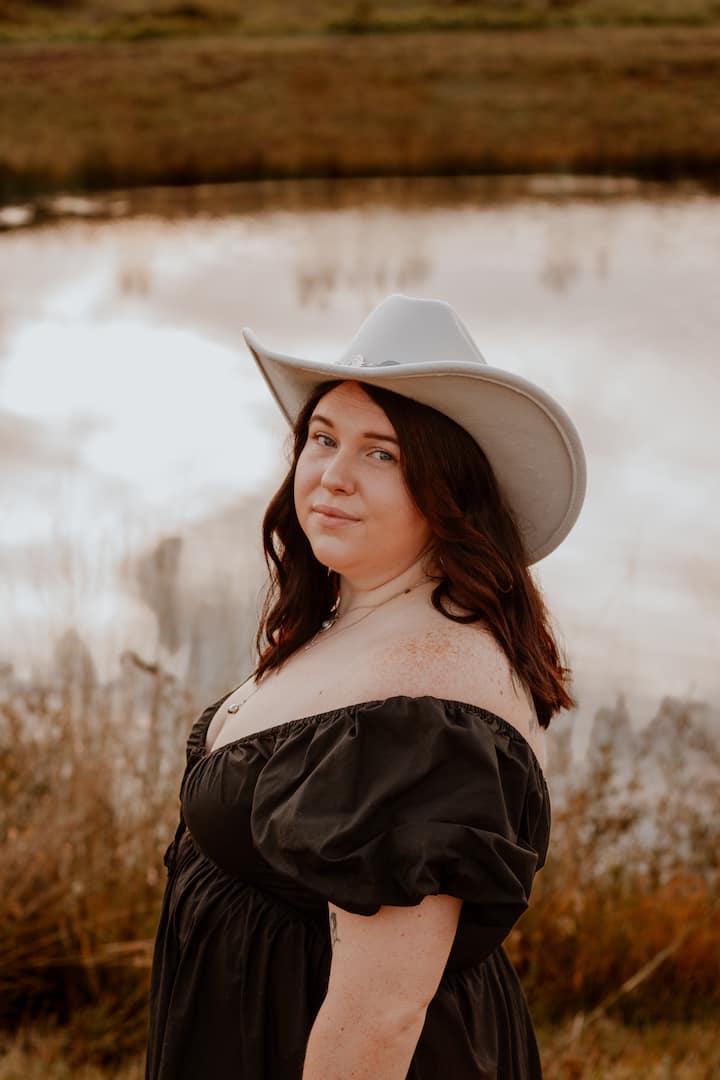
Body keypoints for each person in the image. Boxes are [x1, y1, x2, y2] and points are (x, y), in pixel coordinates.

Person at [145, 294, 586, 1079]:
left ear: (448, 491)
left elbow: (380, 1017)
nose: (333, 477)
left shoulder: (427, 709)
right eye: (323, 438)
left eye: (382, 454)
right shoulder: (355, 616)